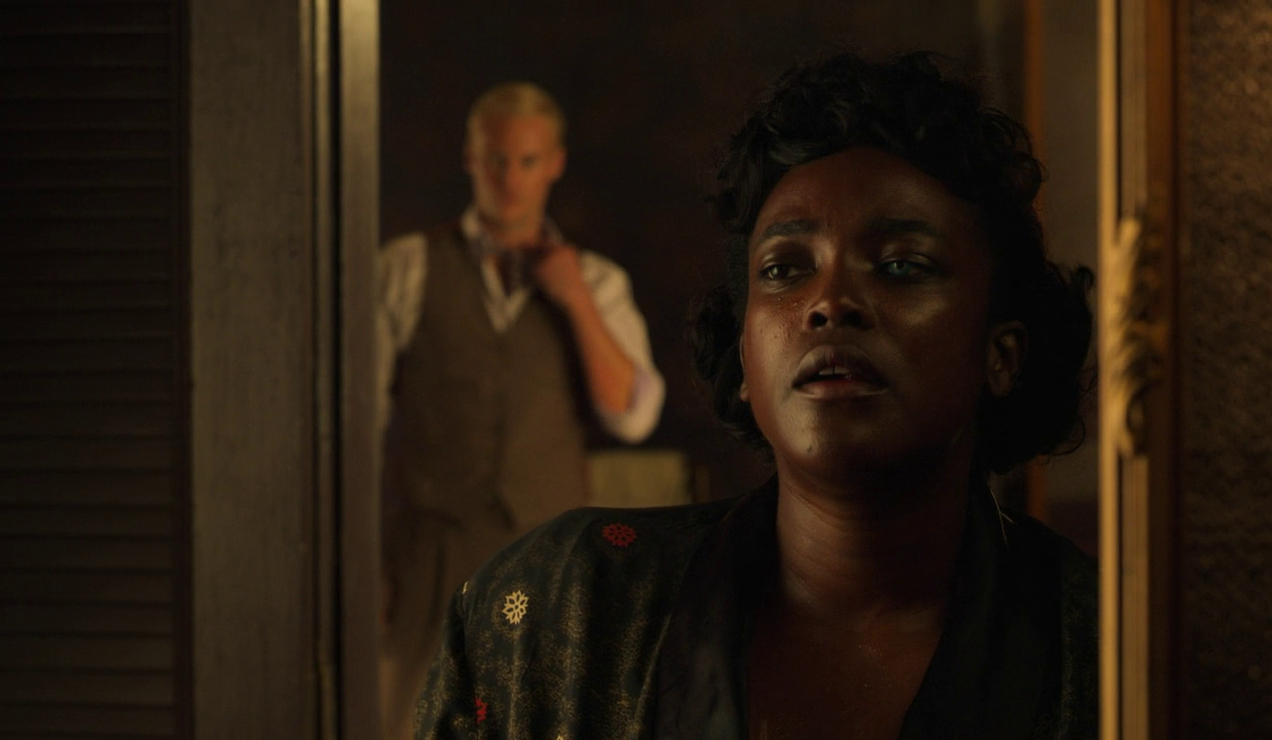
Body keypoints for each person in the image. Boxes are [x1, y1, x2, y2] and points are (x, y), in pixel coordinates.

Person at [414, 52, 1097, 739]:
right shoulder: (556, 611)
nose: (830, 301)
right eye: (784, 269)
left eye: (899, 265)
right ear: (743, 355)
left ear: (1001, 354)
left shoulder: (1102, 650)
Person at [377, 82, 665, 739]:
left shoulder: (597, 281)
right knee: (413, 721)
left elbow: (632, 416)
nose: (510, 180)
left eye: (527, 161)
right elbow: (354, 422)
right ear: (470, 159)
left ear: (554, 164)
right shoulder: (407, 268)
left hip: (547, 554)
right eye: (496, 160)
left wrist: (574, 300)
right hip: (430, 555)